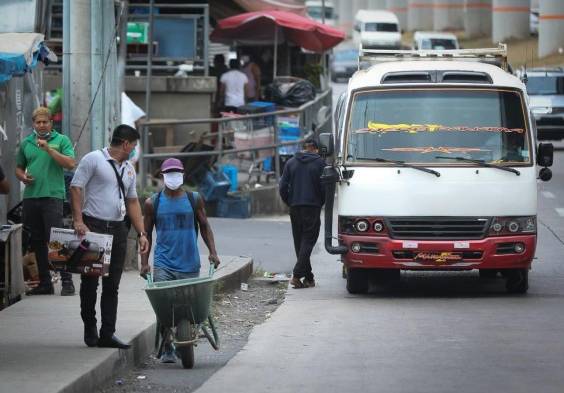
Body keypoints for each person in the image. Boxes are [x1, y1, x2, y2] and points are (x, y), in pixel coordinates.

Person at [70, 124, 149, 349]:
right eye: (133, 145)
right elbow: (76, 188)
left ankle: (107, 333)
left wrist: (142, 233)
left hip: (118, 229)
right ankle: (90, 327)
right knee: (90, 282)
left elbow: (133, 201)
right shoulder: (93, 159)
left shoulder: (129, 169)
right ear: (125, 143)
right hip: (94, 226)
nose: (134, 149)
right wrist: (78, 220)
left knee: (112, 284)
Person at [140, 158, 220, 363]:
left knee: (188, 306)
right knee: (164, 305)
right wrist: (144, 263)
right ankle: (167, 347)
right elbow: (146, 234)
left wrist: (213, 251)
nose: (173, 177)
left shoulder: (194, 199)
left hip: (189, 262)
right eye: (169, 173)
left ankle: (184, 336)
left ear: (183, 175)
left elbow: (204, 226)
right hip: (163, 263)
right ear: (162, 176)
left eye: (177, 173)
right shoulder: (153, 203)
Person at [16, 106, 76, 295]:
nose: (41, 125)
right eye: (38, 122)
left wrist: (49, 149)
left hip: (53, 196)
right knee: (37, 240)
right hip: (31, 197)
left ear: (51, 122)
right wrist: (22, 177)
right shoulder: (26, 143)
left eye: (45, 121)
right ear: (33, 124)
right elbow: (19, 167)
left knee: (56, 239)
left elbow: (70, 163)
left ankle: (67, 282)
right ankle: (45, 283)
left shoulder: (61, 140)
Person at [279, 137, 326, 289]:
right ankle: (297, 275)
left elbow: (282, 186)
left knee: (300, 243)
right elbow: (324, 187)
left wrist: (289, 201)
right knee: (309, 240)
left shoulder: (291, 162)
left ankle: (309, 278)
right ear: (316, 149)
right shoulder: (320, 163)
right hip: (312, 207)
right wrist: (321, 202)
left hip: (295, 207)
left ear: (304, 147)